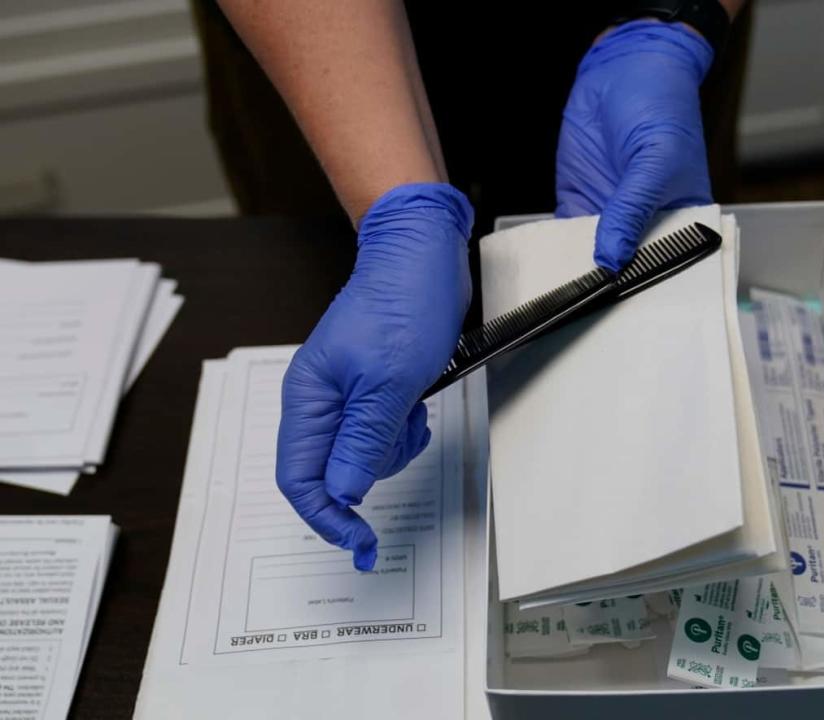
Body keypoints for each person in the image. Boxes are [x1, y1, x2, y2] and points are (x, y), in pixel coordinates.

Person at [199, 1, 749, 570]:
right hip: (326, 43)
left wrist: (673, 21)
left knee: (647, 226)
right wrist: (400, 213)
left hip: (635, 59)